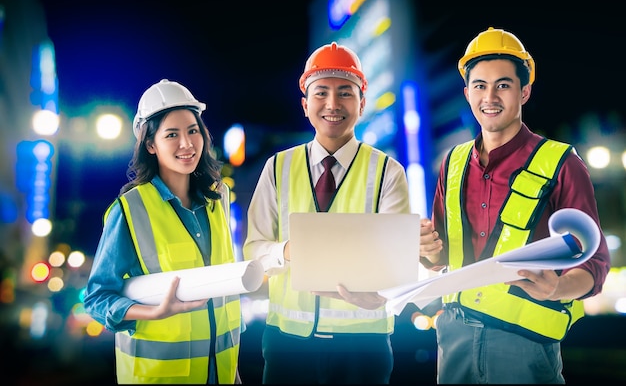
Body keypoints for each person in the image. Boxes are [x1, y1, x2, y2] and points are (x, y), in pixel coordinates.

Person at [419, 27, 612, 384]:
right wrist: (426, 251)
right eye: (480, 86)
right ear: (467, 93)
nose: (490, 96)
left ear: (524, 91)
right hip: (454, 337)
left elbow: (596, 262)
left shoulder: (561, 163)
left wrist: (557, 288)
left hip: (525, 346)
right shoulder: (453, 163)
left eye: (503, 85)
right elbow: (440, 256)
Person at [243, 42, 412, 384]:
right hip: (287, 344)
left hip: (363, 347)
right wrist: (286, 252)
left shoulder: (388, 172)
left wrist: (385, 291)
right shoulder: (277, 168)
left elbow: (398, 264)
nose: (332, 104)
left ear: (362, 104)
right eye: (321, 93)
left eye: (345, 93)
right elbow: (254, 250)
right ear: (306, 105)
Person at [84, 79, 243, 384]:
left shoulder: (217, 199)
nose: (187, 144)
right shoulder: (130, 210)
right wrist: (152, 312)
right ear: (151, 144)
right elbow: (96, 298)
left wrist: (233, 373)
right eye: (172, 134)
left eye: (193, 131)